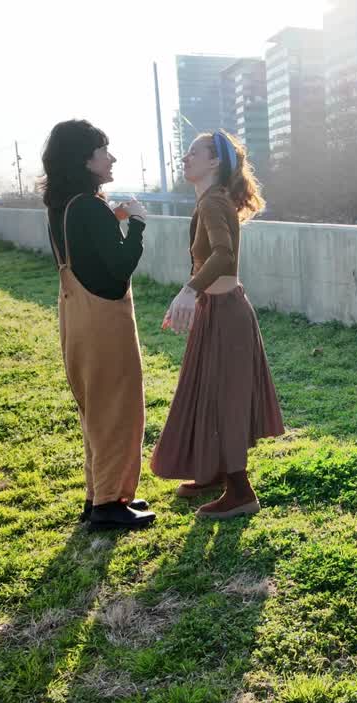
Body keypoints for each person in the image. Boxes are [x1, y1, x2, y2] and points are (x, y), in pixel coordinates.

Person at [149, 130, 284, 519]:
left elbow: (224, 256)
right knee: (208, 392)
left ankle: (240, 492)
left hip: (226, 313)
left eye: (194, 152)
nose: (185, 158)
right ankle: (212, 473)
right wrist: (195, 296)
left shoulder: (212, 202)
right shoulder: (212, 199)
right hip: (219, 309)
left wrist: (188, 291)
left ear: (214, 162)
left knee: (226, 399)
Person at [38, 119, 156, 531]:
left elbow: (86, 247)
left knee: (96, 408)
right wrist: (136, 222)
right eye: (104, 151)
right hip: (105, 321)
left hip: (75, 317)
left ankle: (102, 494)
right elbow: (120, 265)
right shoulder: (89, 206)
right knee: (118, 408)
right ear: (84, 160)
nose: (112, 158)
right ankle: (109, 503)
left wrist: (113, 216)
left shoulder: (63, 206)